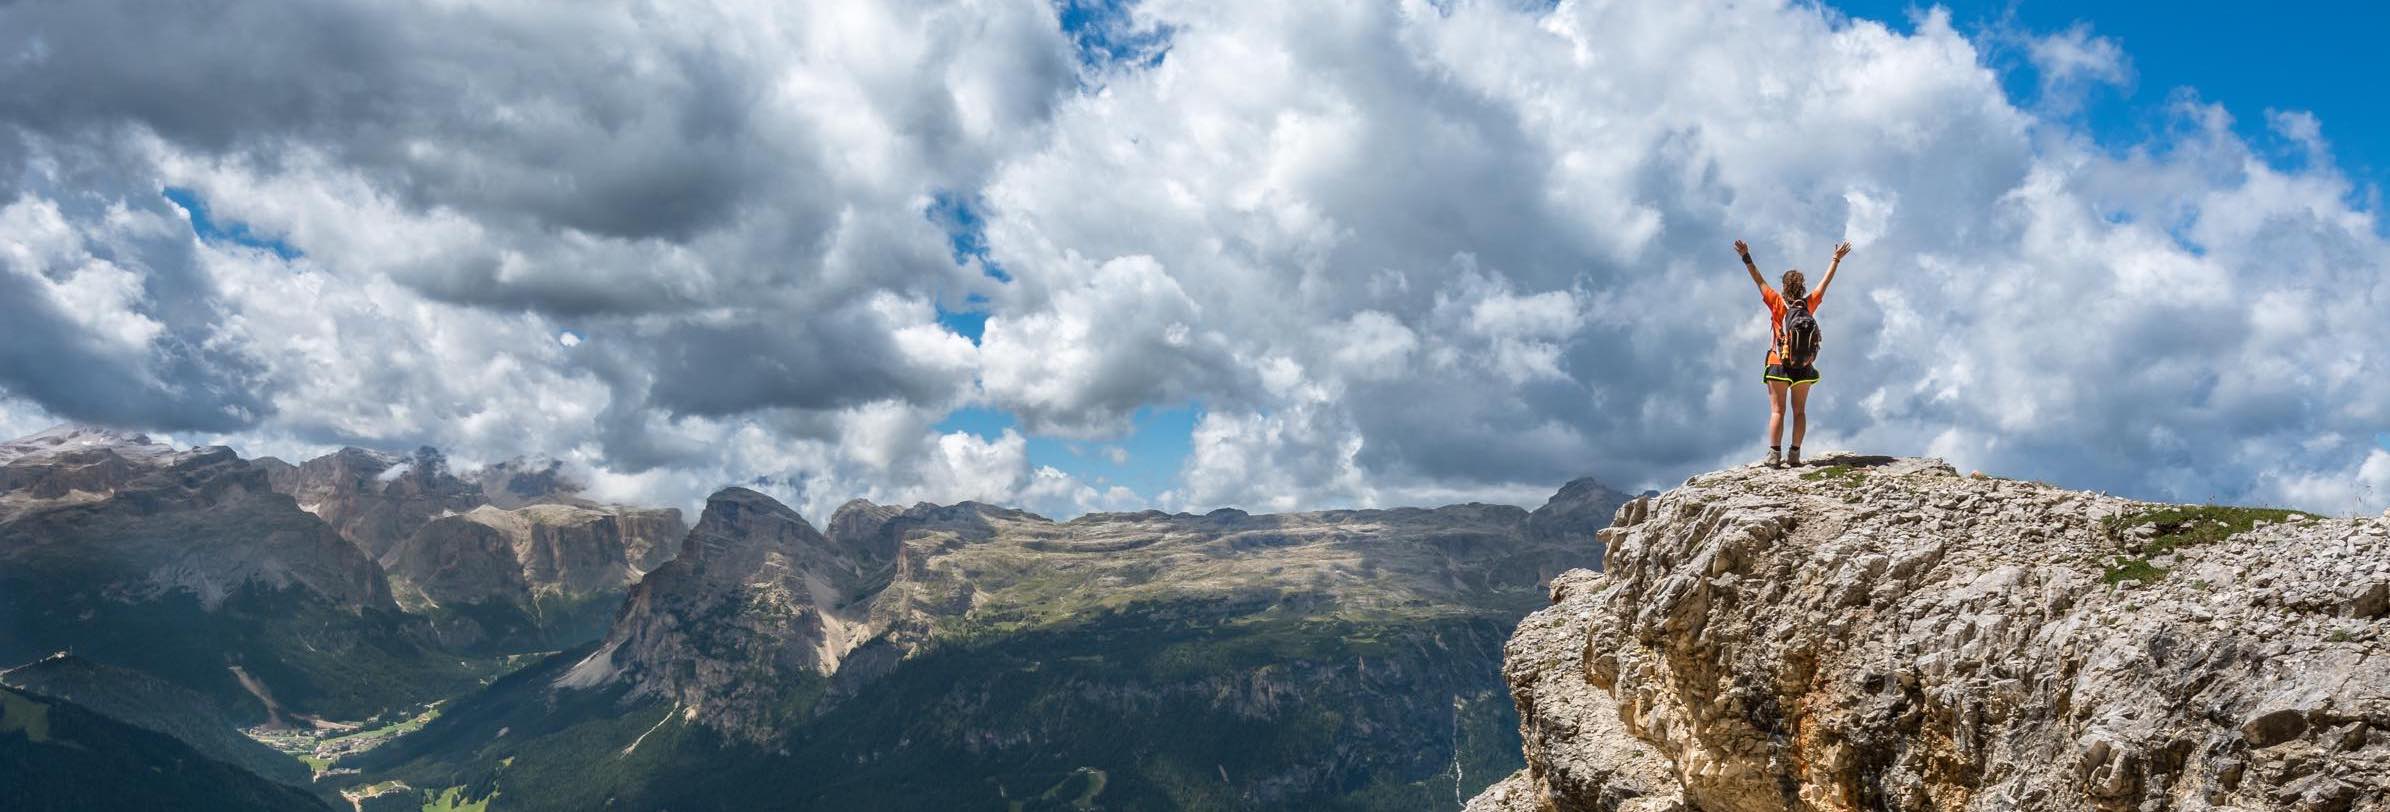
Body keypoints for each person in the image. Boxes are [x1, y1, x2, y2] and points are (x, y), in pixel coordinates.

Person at [1735, 238, 1850, 468]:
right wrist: (1836, 259)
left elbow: (1758, 279)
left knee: (1778, 411)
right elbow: (1825, 282)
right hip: (1804, 365)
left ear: (1784, 287)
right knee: (1800, 412)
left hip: (1778, 363)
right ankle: (1795, 454)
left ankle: (1774, 455)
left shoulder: (1776, 302)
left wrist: (1746, 256)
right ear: (1802, 287)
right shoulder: (1809, 304)